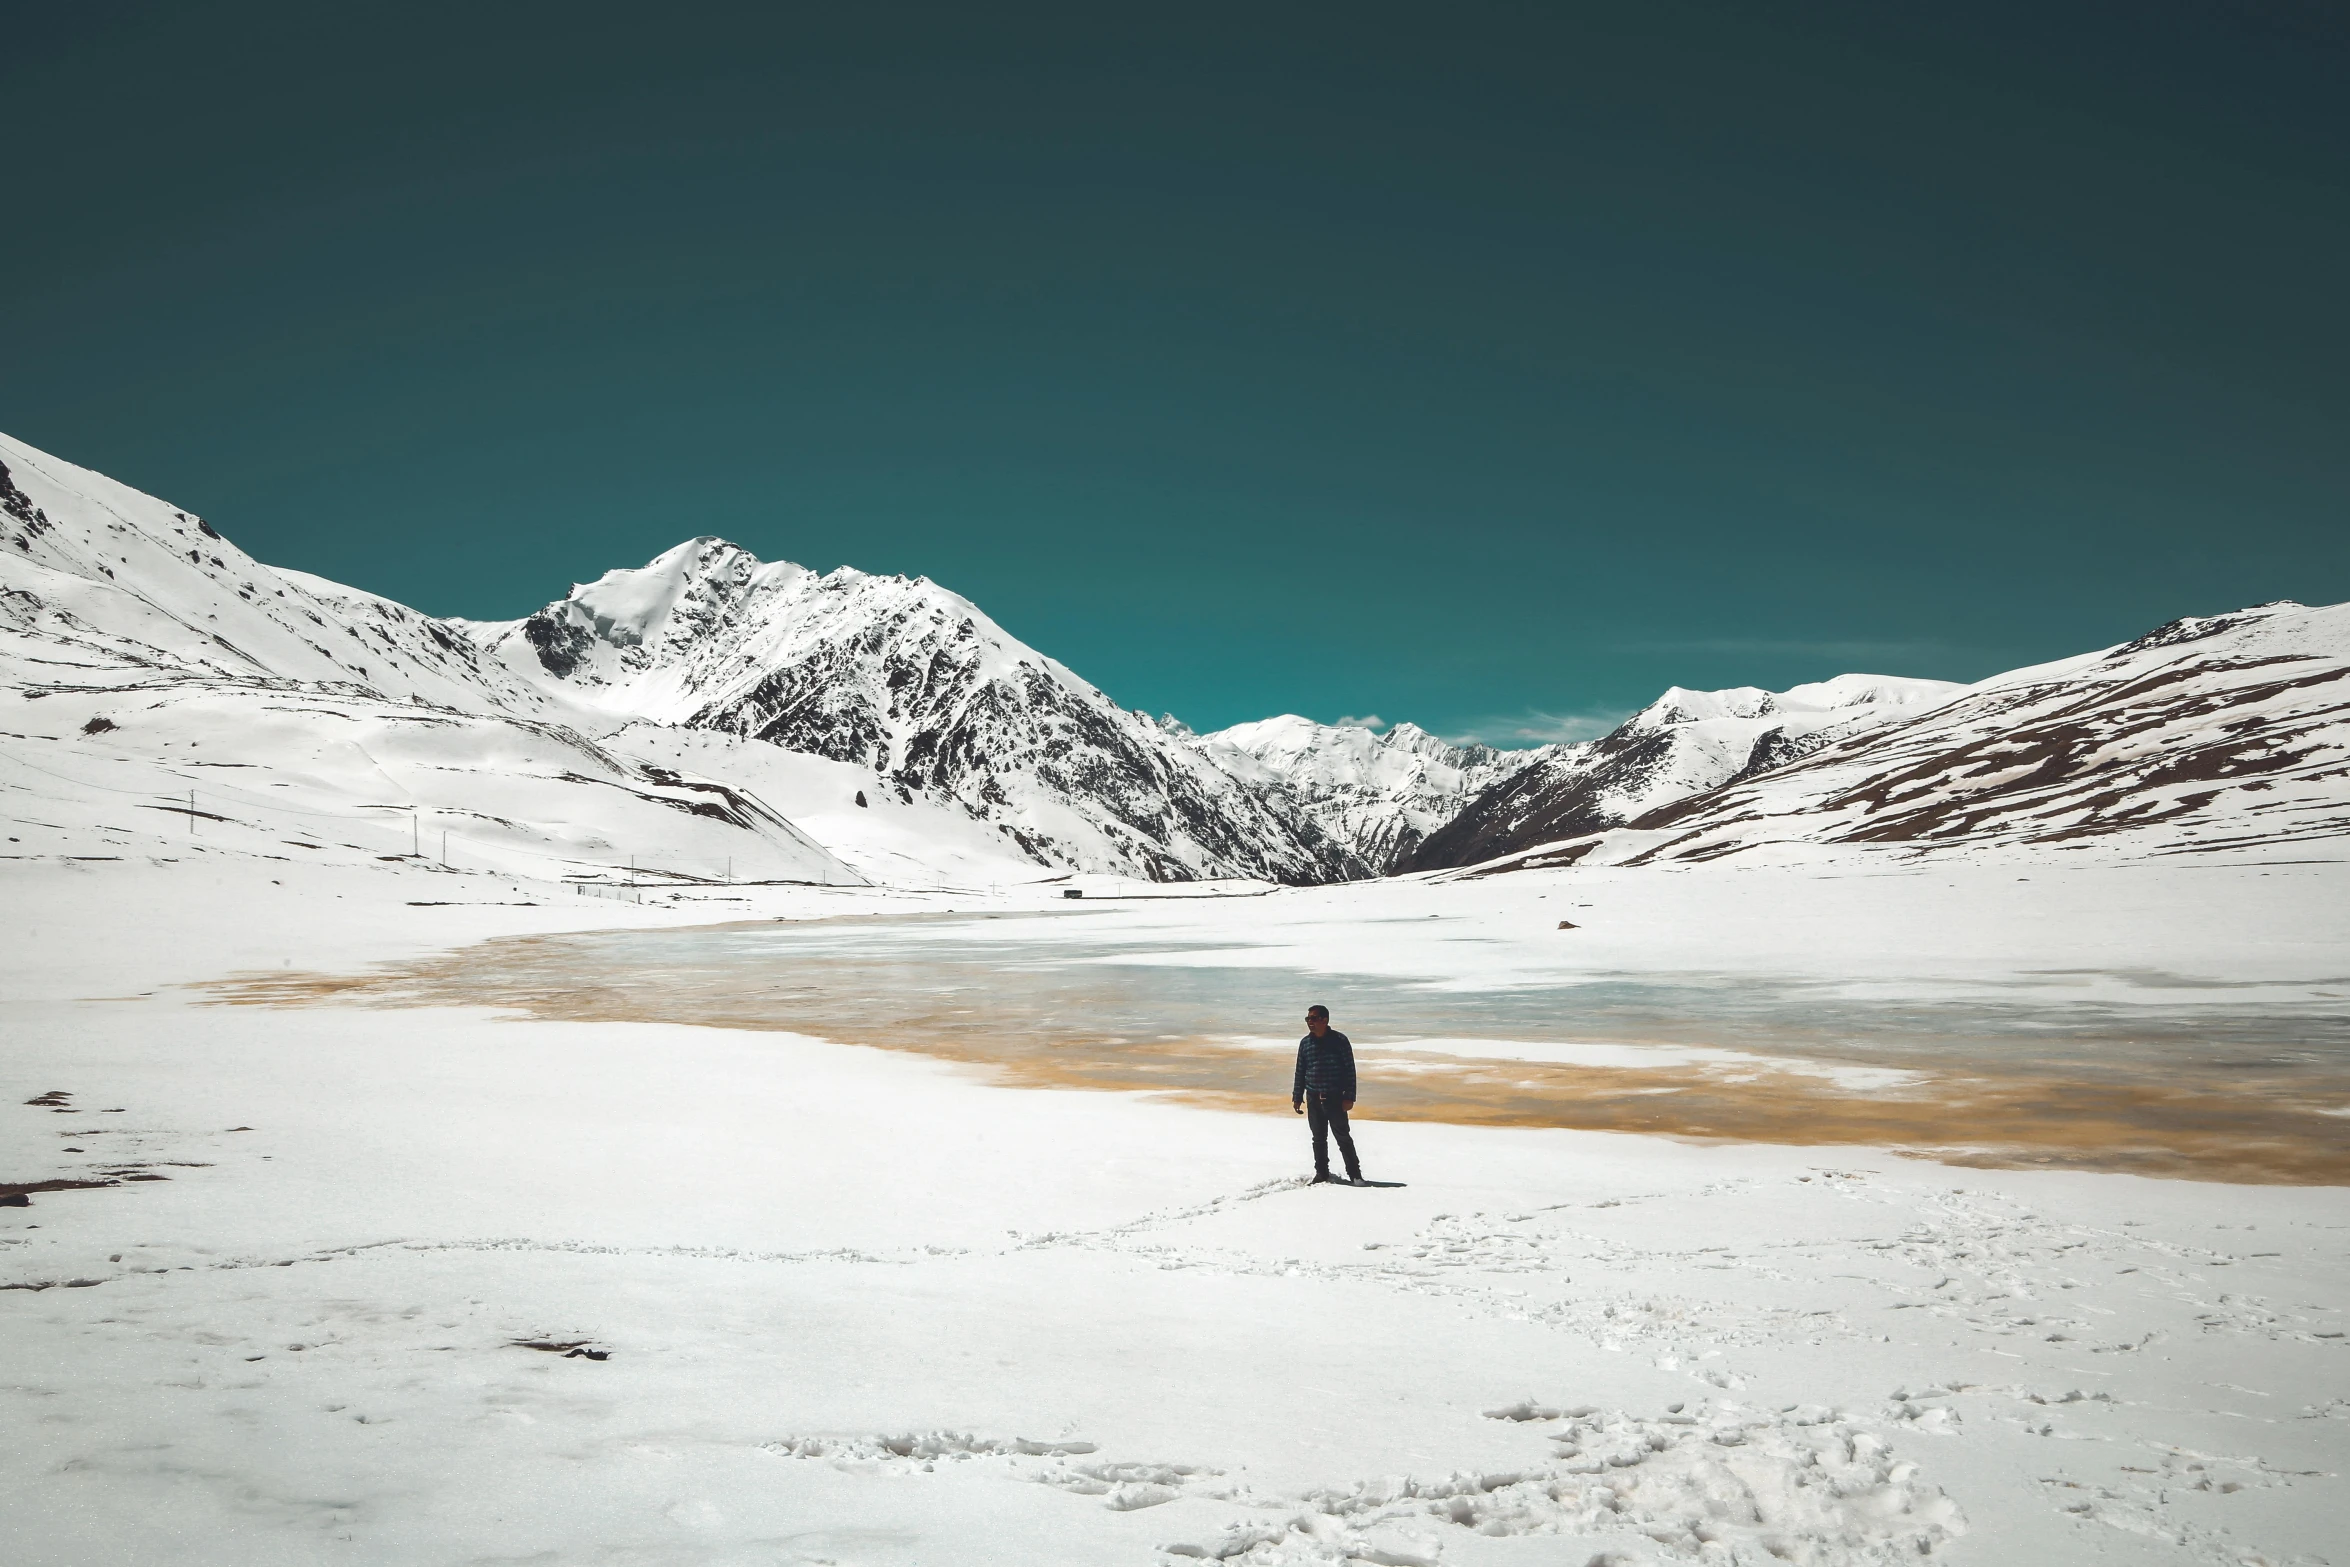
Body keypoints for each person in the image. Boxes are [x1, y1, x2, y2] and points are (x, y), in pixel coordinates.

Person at [1292, 1004, 1365, 1185]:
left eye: (1314, 1018)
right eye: (1308, 1018)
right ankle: (1322, 1173)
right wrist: (1297, 1096)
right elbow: (1300, 1071)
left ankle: (1355, 1175)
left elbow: (1350, 1070)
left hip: (1335, 1098)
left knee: (1343, 1137)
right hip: (1313, 1098)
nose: (1310, 1022)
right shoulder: (1305, 1043)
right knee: (1318, 1138)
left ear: (1325, 1020)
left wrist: (1349, 1096)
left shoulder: (1340, 1041)